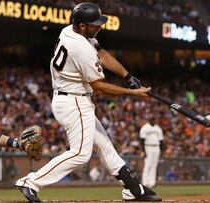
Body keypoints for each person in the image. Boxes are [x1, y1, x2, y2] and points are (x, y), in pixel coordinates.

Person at [15, 2, 162, 202]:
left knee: (104, 146)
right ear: (82, 25)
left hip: (71, 98)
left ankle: (133, 189)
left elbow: (102, 54)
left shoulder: (71, 31)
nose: (99, 26)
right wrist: (133, 93)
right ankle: (30, 181)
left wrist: (127, 76)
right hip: (74, 102)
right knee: (81, 154)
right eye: (95, 24)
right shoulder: (80, 47)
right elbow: (99, 87)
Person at [140, 115, 164, 188]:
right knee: (148, 164)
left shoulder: (158, 128)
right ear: (149, 120)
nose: (152, 120)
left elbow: (161, 140)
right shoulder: (144, 128)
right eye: (151, 119)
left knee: (154, 165)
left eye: (153, 119)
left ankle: (152, 183)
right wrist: (143, 151)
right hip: (148, 147)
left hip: (156, 147)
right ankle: (145, 182)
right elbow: (142, 140)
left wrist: (161, 151)